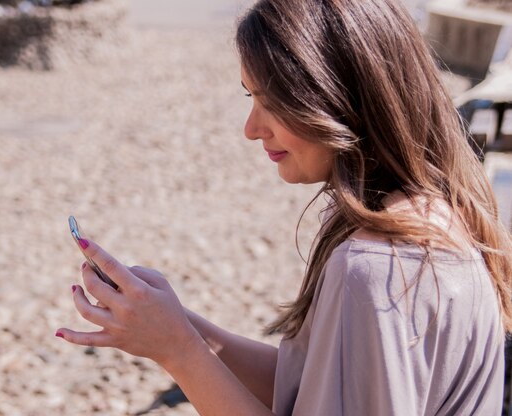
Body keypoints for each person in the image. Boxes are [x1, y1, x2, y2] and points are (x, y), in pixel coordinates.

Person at [55, 0, 512, 414]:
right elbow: (314, 388)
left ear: (341, 98)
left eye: (273, 102)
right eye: (250, 97)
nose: (251, 128)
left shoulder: (378, 267)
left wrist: (177, 350)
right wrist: (174, 322)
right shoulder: (432, 215)